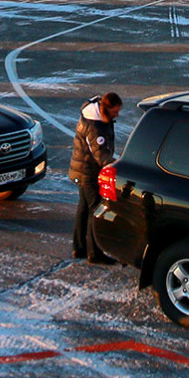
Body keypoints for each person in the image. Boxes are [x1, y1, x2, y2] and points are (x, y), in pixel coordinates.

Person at [69, 92, 122, 264]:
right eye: (115, 112)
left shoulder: (94, 111)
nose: (117, 115)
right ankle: (95, 253)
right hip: (87, 174)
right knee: (96, 211)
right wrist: (119, 165)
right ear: (105, 109)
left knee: (84, 208)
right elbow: (101, 158)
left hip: (81, 170)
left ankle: (79, 248)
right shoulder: (95, 128)